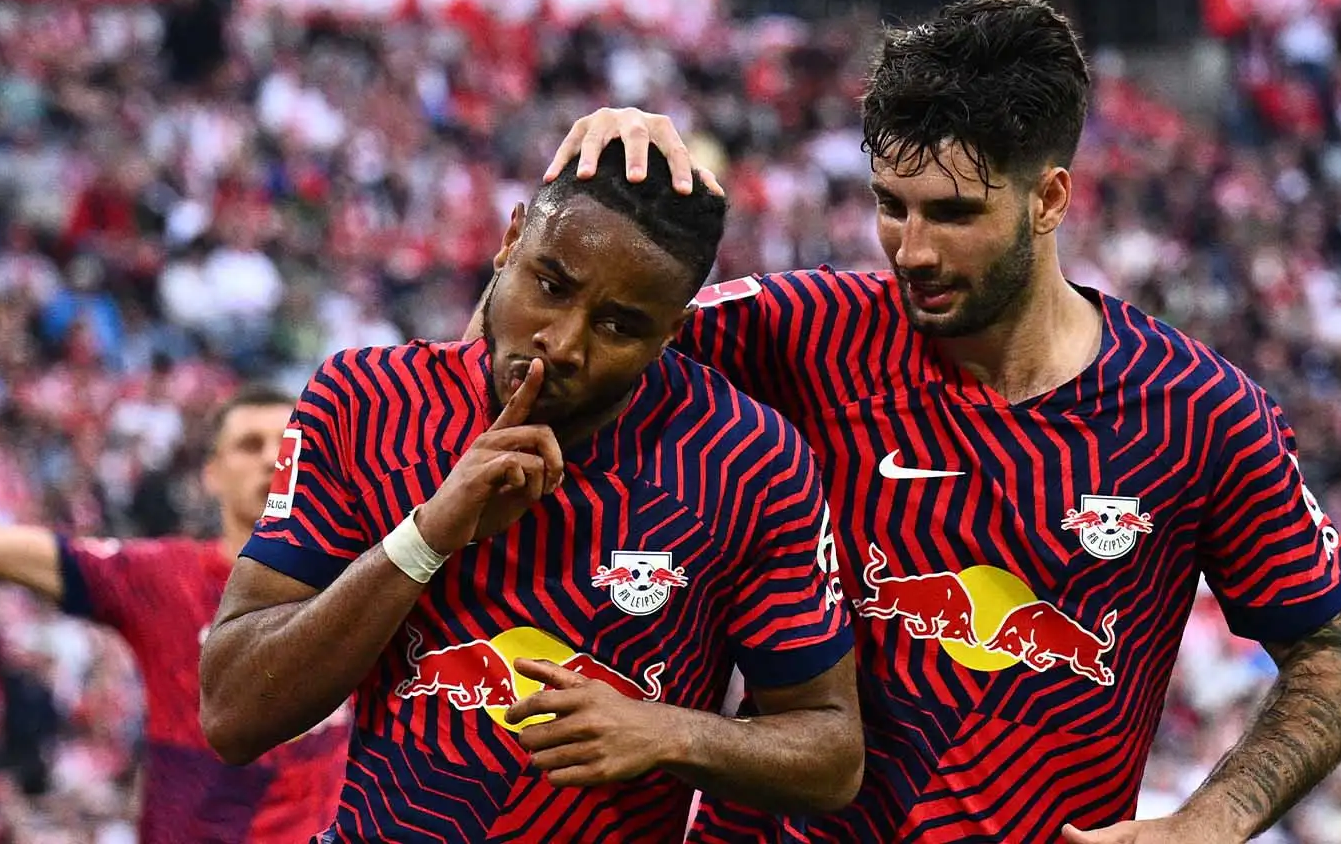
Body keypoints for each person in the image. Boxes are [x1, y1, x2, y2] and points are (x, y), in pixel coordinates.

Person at [524, 0, 1341, 843]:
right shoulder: (804, 331)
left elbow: (1339, 662)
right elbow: (511, 374)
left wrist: (1210, 822)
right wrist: (589, 203)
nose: (914, 248)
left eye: (954, 213)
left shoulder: (1200, 412)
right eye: (891, 204)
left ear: (1049, 200)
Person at [198, 140, 864, 843]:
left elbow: (830, 754)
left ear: (671, 332)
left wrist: (671, 733)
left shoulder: (745, 459)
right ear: (510, 241)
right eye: (551, 284)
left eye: (618, 325)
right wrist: (424, 538)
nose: (563, 343)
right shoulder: (367, 401)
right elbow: (234, 713)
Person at [0, 381, 350, 843]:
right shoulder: (164, 577)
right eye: (250, 445)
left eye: (289, 444)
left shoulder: (362, 583)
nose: (273, 459)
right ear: (211, 473)